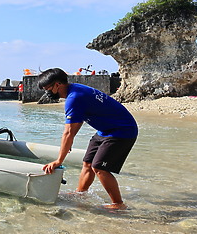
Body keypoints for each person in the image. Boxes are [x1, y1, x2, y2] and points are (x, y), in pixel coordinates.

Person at [38, 68, 138, 210]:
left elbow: (68, 132)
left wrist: (59, 161)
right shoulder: (74, 91)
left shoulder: (74, 98)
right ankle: (81, 193)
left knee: (99, 167)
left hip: (122, 131)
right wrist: (69, 141)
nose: (46, 92)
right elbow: (75, 126)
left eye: (47, 88)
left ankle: (118, 204)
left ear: (57, 85)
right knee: (87, 163)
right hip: (105, 130)